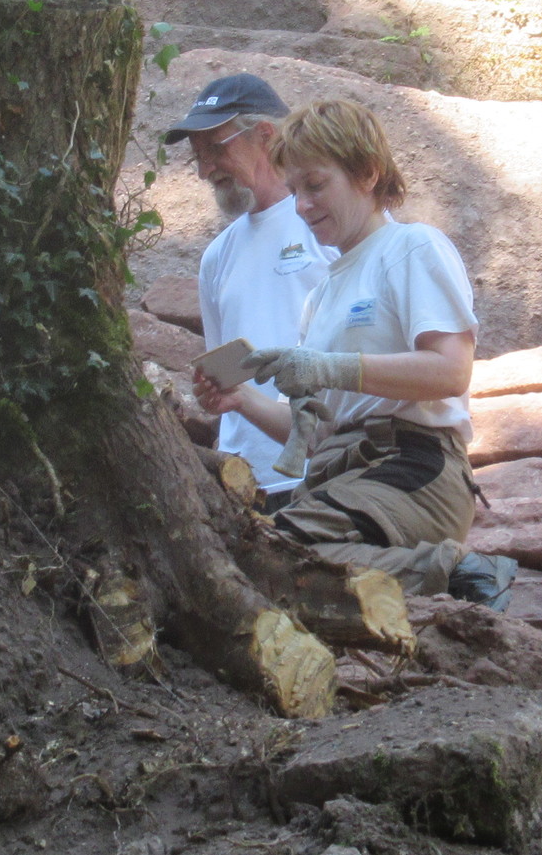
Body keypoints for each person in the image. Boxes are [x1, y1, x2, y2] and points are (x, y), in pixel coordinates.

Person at [194, 96, 514, 607]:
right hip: (341, 473)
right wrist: (241, 400)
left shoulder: (412, 248)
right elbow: (316, 432)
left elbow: (452, 371)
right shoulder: (322, 295)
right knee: (254, 557)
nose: (302, 206)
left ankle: (456, 574)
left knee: (275, 550)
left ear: (367, 173)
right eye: (294, 191)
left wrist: (328, 367)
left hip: (412, 466)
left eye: (316, 185)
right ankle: (437, 581)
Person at [162, 73, 333, 499]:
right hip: (247, 484)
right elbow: (226, 378)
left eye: (215, 149)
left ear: (266, 136)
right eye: (197, 156)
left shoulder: (331, 223)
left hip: (325, 474)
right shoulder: (217, 256)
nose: (204, 170)